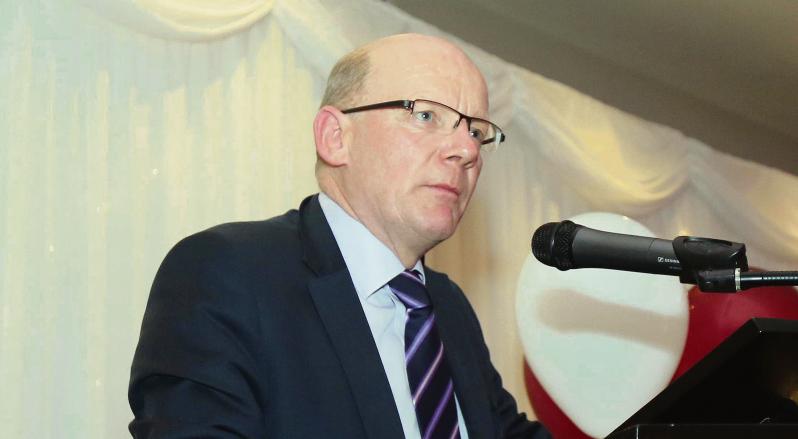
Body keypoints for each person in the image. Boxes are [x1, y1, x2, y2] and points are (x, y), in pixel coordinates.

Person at [129, 33, 550, 439]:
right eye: (425, 115)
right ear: (336, 137)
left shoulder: (448, 306)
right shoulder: (226, 272)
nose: (467, 150)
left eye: (476, 131)